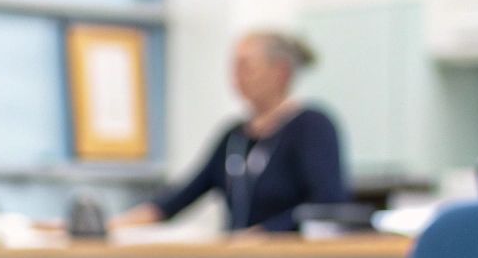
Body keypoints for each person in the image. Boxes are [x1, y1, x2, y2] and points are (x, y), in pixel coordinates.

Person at [113, 31, 347, 232]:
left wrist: (266, 234)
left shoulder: (312, 127)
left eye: (246, 67)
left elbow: (327, 205)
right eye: (234, 68)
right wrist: (115, 225)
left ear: (281, 72)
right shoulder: (234, 137)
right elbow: (178, 198)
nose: (237, 78)